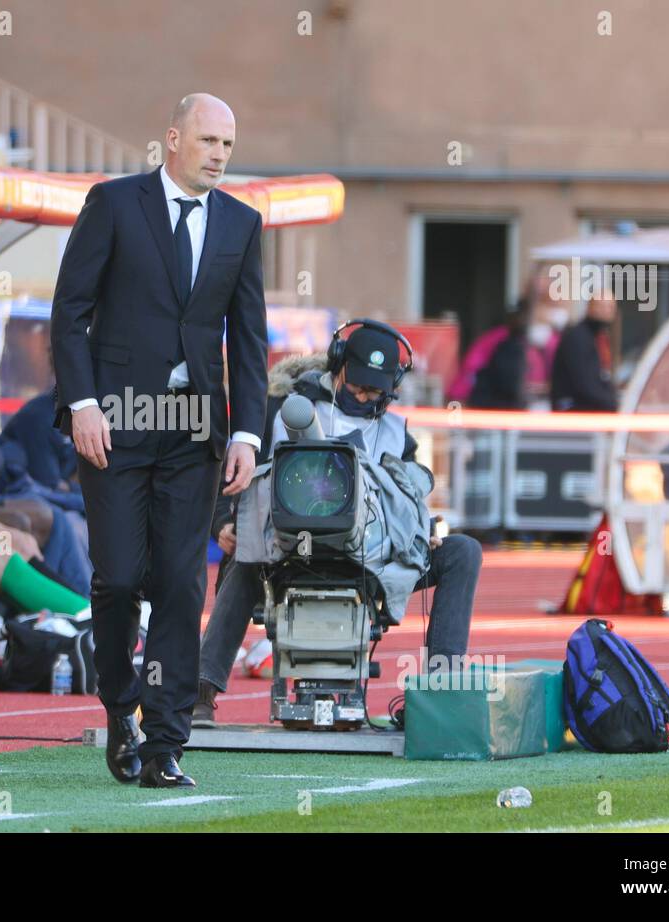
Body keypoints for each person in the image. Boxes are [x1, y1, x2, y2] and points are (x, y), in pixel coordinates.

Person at [50, 93, 269, 788]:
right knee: (117, 578)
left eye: (228, 145)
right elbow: (69, 311)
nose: (219, 155)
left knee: (179, 582)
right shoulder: (114, 204)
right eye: (208, 140)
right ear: (173, 138)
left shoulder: (241, 223)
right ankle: (121, 708)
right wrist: (81, 403)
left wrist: (248, 433)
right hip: (114, 419)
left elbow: (250, 339)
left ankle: (166, 741)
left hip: (193, 429)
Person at [194, 323, 482, 725]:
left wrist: (423, 530)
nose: (364, 397)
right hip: (288, 549)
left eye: (374, 392)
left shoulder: (399, 434)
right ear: (338, 365)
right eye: (358, 386)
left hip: (369, 556)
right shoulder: (281, 409)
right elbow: (231, 469)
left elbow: (408, 498)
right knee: (246, 552)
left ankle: (442, 690)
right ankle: (201, 690)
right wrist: (223, 521)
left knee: (463, 551)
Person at [551, 292, 619, 412]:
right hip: (572, 410)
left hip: (585, 407)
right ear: (589, 307)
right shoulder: (578, 337)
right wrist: (611, 403)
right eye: (601, 306)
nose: (606, 312)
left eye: (610, 307)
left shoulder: (596, 338)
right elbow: (583, 383)